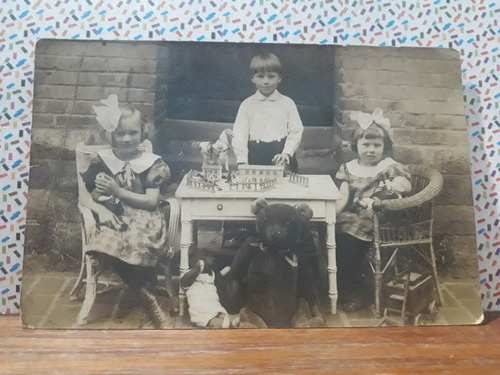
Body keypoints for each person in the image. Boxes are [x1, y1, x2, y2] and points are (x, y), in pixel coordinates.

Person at [79, 94, 173, 328]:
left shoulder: (151, 163)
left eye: (133, 133)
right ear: (109, 135)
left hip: (145, 218)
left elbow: (152, 202)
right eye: (120, 133)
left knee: (135, 239)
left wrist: (118, 191)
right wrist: (100, 210)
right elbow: (85, 196)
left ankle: (148, 296)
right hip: (115, 217)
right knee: (107, 242)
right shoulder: (102, 162)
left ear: (143, 134)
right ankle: (151, 297)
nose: (127, 139)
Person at [335, 108, 412, 312]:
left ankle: (357, 291)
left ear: (384, 147)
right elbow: (343, 197)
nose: (371, 150)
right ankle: (340, 284)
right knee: (336, 233)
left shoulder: (388, 166)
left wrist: (397, 185)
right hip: (354, 215)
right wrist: (330, 217)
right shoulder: (349, 168)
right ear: (355, 145)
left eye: (377, 145)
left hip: (379, 215)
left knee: (350, 242)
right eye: (366, 144)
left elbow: (405, 184)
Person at [232, 52, 303, 173]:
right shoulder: (246, 105)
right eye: (260, 76)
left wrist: (287, 153)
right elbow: (239, 134)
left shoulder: (287, 103)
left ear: (279, 78)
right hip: (255, 156)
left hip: (281, 155)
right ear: (252, 78)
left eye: (271, 76)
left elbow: (296, 131)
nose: (266, 81)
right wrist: (242, 160)